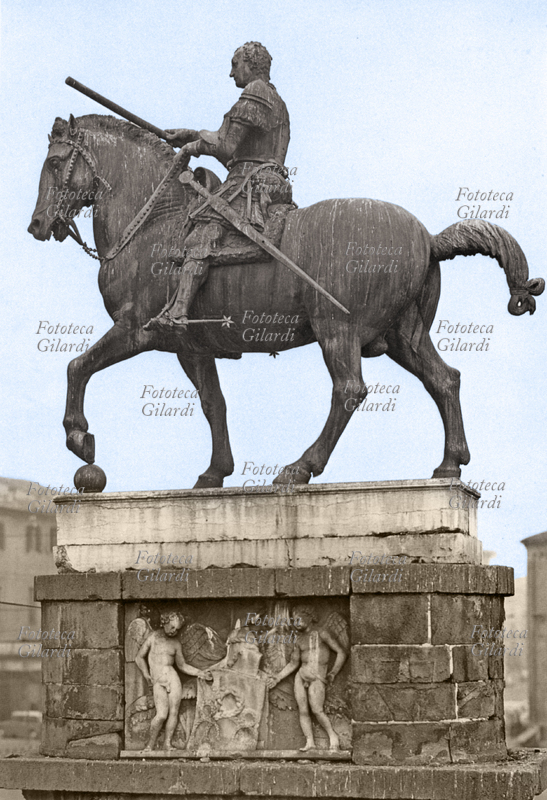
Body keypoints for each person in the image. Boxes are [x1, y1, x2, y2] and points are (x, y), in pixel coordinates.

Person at [145, 41, 292, 331]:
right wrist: (191, 135)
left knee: (203, 233)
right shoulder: (276, 100)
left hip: (251, 181)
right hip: (270, 180)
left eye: (235, 64)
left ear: (251, 64)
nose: (231, 73)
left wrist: (192, 147)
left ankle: (178, 313)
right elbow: (232, 145)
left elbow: (225, 146)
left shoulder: (255, 92)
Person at [265, 605, 347, 751]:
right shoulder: (299, 640)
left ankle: (333, 736)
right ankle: (310, 743)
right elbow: (293, 663)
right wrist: (277, 678)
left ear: (309, 616)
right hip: (301, 676)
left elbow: (341, 652)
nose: (295, 622)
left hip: (317, 677)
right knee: (303, 711)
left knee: (316, 709)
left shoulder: (322, 633)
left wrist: (333, 672)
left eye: (298, 619)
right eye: (293, 620)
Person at [135, 610, 212, 751]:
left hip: (173, 678)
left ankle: (167, 744)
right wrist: (146, 675)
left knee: (173, 713)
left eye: (177, 629)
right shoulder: (153, 637)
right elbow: (139, 658)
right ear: (165, 622)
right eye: (172, 627)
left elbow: (182, 665)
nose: (173, 631)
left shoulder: (176, 643)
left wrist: (200, 673)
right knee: (161, 715)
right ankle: (149, 745)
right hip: (158, 680)